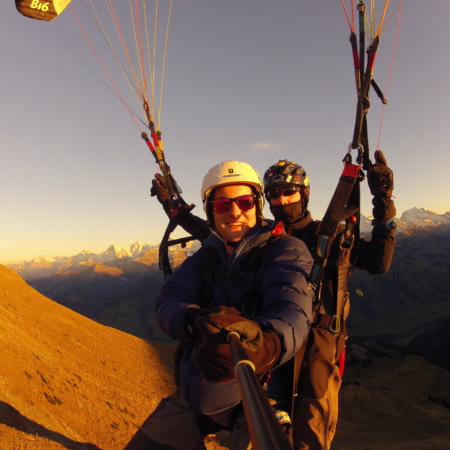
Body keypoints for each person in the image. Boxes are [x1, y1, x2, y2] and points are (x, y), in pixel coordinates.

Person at [149, 151, 396, 450]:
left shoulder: (325, 234)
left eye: (289, 192)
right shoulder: (258, 237)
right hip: (262, 333)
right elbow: (212, 228)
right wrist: (171, 206)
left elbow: (378, 263)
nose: (282, 201)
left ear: (303, 193)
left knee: (309, 427)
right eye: (275, 194)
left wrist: (383, 204)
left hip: (315, 338)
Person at [123, 160, 314, 450]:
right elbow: (167, 300)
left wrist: (266, 346)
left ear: (257, 206)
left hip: (260, 392)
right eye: (223, 205)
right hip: (198, 387)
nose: (235, 211)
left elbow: (292, 310)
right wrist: (194, 319)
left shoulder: (286, 250)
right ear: (211, 212)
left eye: (245, 202)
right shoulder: (205, 257)